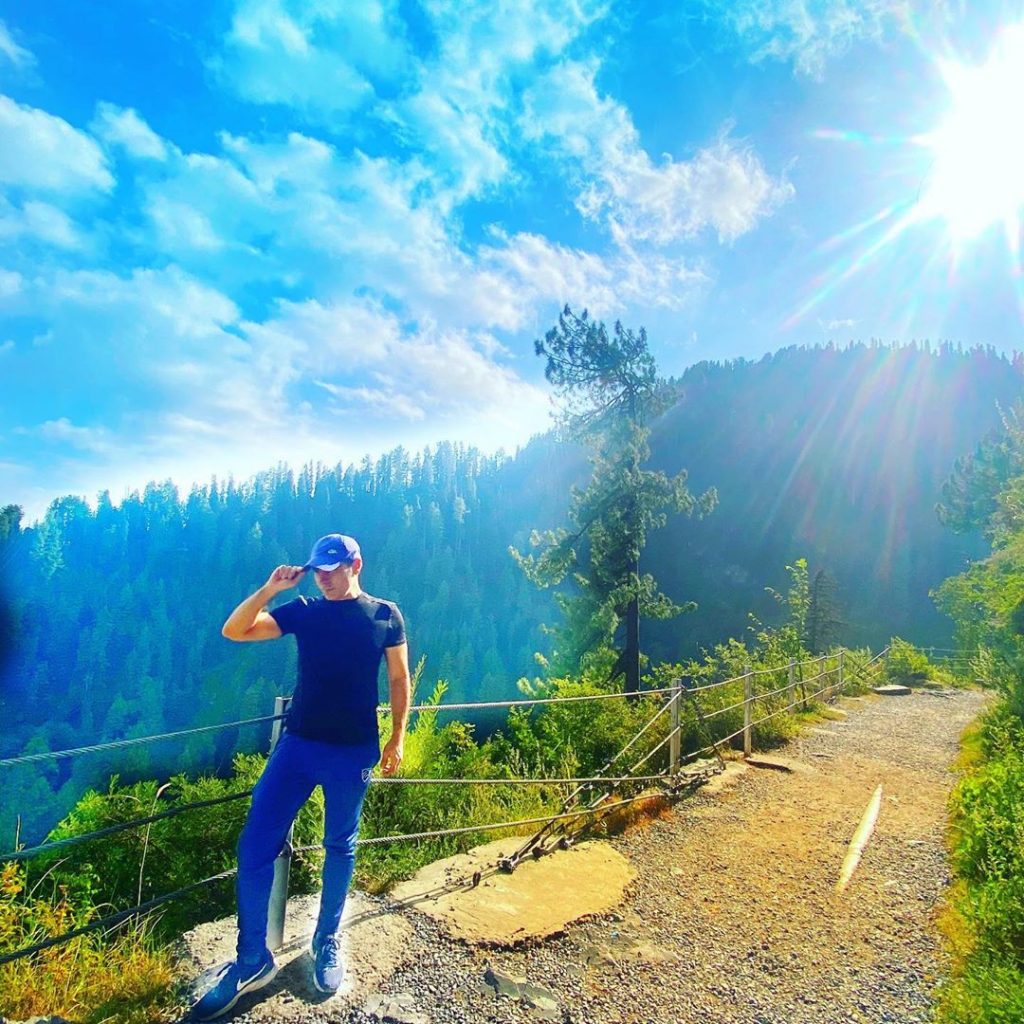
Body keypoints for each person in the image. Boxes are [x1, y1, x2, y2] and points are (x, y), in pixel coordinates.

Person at [192, 533, 410, 1020]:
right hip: (298, 746)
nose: (325, 577)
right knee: (255, 846)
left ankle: (327, 939)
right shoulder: (305, 610)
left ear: (357, 564)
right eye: (318, 569)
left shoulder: (385, 615)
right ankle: (252, 960)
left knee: (340, 845)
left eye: (333, 568)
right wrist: (270, 589)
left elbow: (399, 678)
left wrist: (397, 737)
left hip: (353, 749)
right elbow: (235, 630)